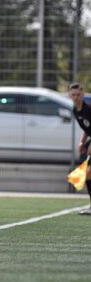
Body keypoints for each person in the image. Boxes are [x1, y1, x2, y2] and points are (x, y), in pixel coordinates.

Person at [69, 83, 91, 215]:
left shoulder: (88, 109)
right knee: (88, 175)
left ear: (82, 95)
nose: (76, 97)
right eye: (73, 95)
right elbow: (88, 128)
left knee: (87, 174)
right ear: (69, 95)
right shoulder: (75, 110)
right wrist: (82, 141)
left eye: (78, 94)